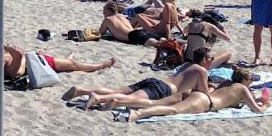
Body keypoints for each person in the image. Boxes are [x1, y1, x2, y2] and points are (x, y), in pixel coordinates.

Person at [64, 47, 217, 110]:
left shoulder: (188, 65)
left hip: (156, 81)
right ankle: (97, 98)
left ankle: (82, 90)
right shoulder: (201, 70)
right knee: (130, 98)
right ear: (203, 59)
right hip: (163, 89)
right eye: (210, 58)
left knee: (118, 90)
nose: (212, 60)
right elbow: (204, 94)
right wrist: (211, 88)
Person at [129, 67, 264, 119]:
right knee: (173, 110)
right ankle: (140, 113)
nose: (250, 83)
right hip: (205, 102)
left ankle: (121, 102)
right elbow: (257, 110)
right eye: (250, 81)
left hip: (197, 94)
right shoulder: (242, 88)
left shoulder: (226, 84)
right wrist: (266, 104)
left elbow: (228, 98)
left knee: (154, 102)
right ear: (245, 80)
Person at [2, 43, 114, 79]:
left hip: (36, 58)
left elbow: (20, 54)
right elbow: (19, 54)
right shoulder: (11, 71)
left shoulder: (3, 61)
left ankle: (67, 59)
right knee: (73, 65)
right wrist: (4, 45)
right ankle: (100, 66)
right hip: (42, 65)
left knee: (67, 62)